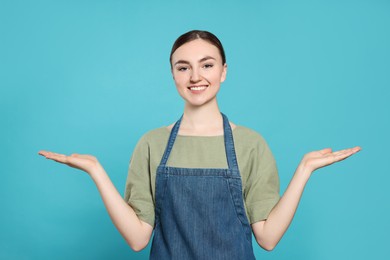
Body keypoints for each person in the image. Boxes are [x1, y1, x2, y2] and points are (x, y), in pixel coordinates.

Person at [39, 30, 361, 259]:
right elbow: (138, 239)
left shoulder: (250, 144)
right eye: (183, 67)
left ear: (223, 72)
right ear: (173, 75)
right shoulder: (152, 144)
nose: (196, 76)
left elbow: (268, 237)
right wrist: (96, 171)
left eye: (207, 65)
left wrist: (304, 169)